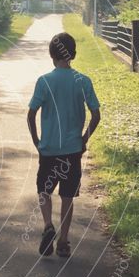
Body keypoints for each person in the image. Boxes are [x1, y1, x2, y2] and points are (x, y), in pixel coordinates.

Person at [26, 32, 101, 258]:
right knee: (67, 196)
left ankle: (48, 225)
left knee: (43, 190)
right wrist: (84, 139)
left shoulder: (44, 81)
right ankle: (64, 241)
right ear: (73, 54)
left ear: (51, 55)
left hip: (49, 150)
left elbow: (30, 115)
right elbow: (96, 115)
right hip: (72, 151)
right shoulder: (83, 81)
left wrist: (37, 142)